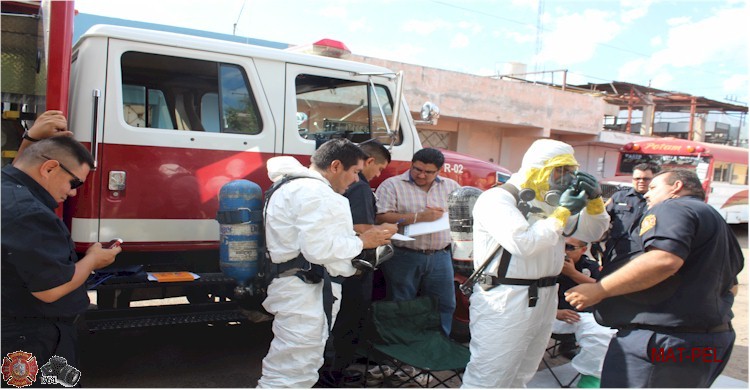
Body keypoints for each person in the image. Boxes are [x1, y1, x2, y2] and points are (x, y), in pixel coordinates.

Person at [565, 169, 743, 388]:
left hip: (664, 340)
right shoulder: (715, 220)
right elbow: (732, 287)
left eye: (653, 188)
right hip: (710, 340)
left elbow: (664, 260)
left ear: (676, 186)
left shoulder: (673, 207)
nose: (647, 195)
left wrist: (599, 289)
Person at [461, 139, 610, 388]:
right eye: (560, 171)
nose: (566, 178)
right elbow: (525, 244)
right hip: (506, 298)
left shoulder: (551, 202)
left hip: (545, 297)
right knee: (489, 376)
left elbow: (593, 232)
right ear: (537, 169)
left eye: (571, 172)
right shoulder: (497, 199)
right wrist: (561, 213)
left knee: (522, 374)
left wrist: (595, 202)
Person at [256, 138, 394, 388]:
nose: (355, 180)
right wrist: (363, 242)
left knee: (293, 366)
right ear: (335, 166)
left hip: (297, 289)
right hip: (305, 294)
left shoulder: (291, 186)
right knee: (293, 370)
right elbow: (320, 249)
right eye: (354, 172)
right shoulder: (316, 192)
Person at [2, 135, 121, 375]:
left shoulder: (7, 190)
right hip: (31, 338)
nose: (74, 193)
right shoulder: (29, 213)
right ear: (49, 168)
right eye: (74, 182)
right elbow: (51, 289)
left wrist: (29, 137)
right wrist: (92, 260)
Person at [318, 140, 396, 387]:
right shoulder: (360, 187)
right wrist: (386, 229)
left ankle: (329, 371)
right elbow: (362, 228)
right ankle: (336, 374)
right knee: (349, 320)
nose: (378, 175)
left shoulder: (335, 186)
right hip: (355, 264)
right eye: (380, 169)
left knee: (333, 321)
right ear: (369, 162)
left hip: (336, 262)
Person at [374, 147, 460, 336]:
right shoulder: (392, 185)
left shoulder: (451, 186)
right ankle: (400, 354)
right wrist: (418, 217)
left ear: (439, 170)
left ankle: (437, 349)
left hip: (440, 256)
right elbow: (380, 218)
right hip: (404, 255)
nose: (421, 175)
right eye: (417, 169)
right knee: (401, 305)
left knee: (445, 304)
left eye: (428, 172)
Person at [553, 237, 616, 388]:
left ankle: (592, 378)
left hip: (585, 315)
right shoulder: (549, 264)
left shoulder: (589, 265)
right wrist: (554, 312)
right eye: (561, 245)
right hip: (551, 314)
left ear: (582, 249)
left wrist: (573, 273)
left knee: (605, 331)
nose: (564, 251)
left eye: (569, 247)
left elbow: (603, 287)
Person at [602, 162, 659, 265]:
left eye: (646, 179)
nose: (641, 181)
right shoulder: (619, 197)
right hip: (616, 251)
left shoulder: (660, 201)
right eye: (637, 178)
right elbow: (603, 219)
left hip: (643, 253)